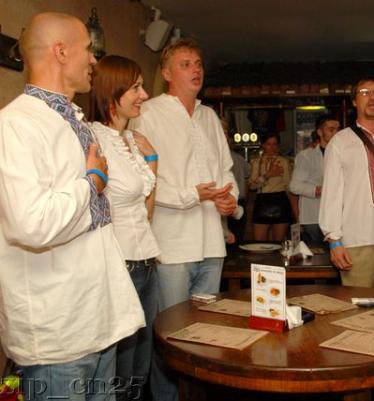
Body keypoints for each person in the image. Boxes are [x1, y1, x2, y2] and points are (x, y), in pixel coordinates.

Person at [0, 12, 144, 400]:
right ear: (61, 52)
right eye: (88, 50)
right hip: (58, 335)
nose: (94, 60)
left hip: (97, 323)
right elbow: (31, 224)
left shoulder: (72, 119)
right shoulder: (15, 125)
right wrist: (91, 182)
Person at [129, 37, 237, 401]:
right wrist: (193, 195)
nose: (195, 70)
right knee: (173, 335)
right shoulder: (148, 114)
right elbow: (144, 181)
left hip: (212, 244)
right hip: (172, 245)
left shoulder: (209, 116)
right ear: (166, 73)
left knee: (206, 332)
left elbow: (225, 170)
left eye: (199, 64)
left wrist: (230, 197)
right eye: (186, 64)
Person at [91, 55, 160, 401]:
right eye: (135, 87)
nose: (144, 95)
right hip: (119, 265)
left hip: (146, 260)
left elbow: (145, 211)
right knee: (120, 373)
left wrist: (153, 161)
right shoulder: (94, 138)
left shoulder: (132, 140)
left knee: (139, 370)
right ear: (111, 91)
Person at [319, 76, 374, 290]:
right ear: (354, 101)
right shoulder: (340, 141)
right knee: (357, 303)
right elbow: (331, 193)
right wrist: (334, 240)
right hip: (356, 239)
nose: (372, 98)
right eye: (365, 93)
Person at [290, 114, 340, 247]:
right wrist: (318, 190)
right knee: (317, 255)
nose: (335, 133)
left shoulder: (343, 153)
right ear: (319, 132)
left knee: (337, 254)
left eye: (338, 129)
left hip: (337, 217)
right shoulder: (306, 156)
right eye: (331, 129)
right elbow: (294, 186)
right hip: (314, 216)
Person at [248, 133, 293, 241]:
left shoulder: (284, 161)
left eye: (274, 144)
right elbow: (252, 186)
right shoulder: (256, 162)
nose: (272, 147)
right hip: (262, 200)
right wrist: (267, 175)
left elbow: (289, 186)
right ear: (263, 145)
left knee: (279, 243)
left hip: (280, 200)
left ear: (278, 145)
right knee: (259, 243)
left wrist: (293, 208)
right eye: (268, 144)